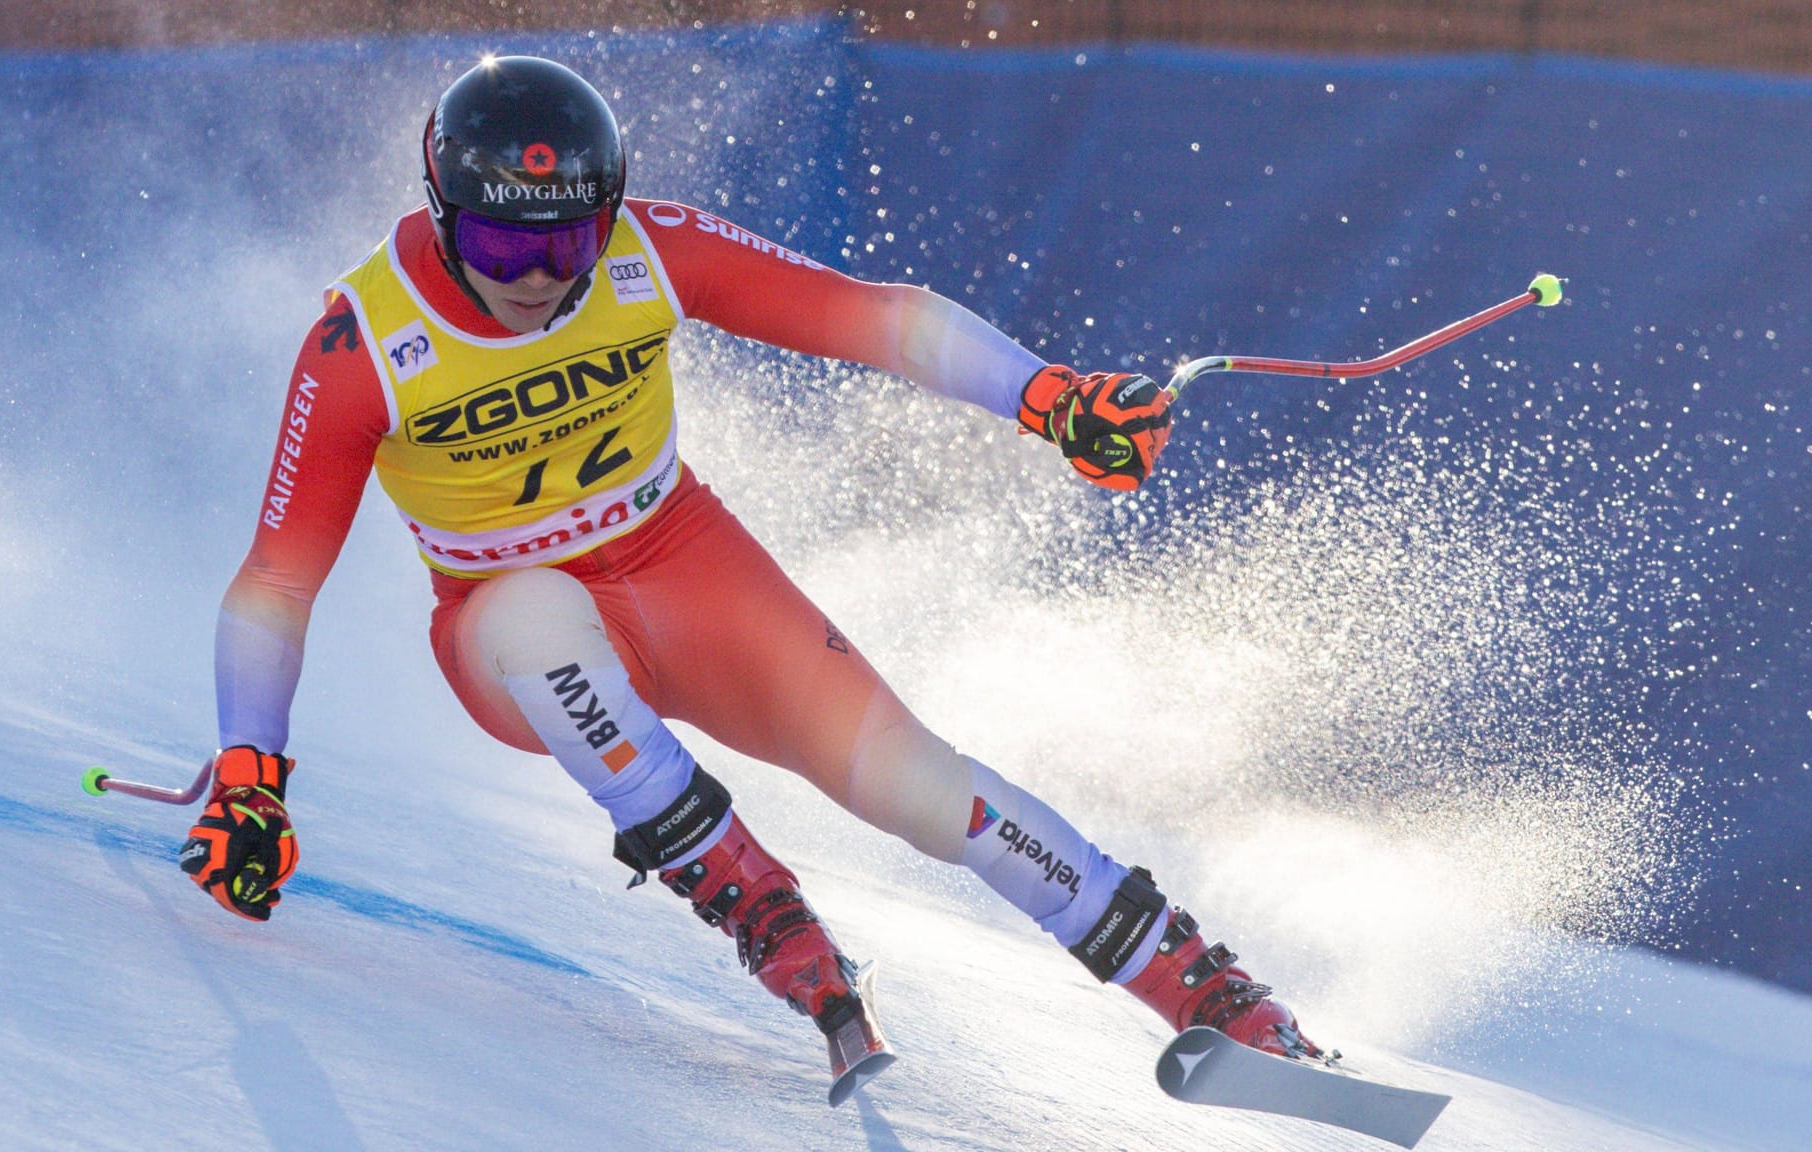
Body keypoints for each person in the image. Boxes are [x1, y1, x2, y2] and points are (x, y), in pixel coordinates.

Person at [179, 54, 1322, 1097]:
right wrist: (249, 772)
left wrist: (1048, 397)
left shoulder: (650, 248)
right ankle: (758, 900)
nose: (536, 279)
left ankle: (1209, 993)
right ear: (441, 215)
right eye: (502, 248)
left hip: (682, 563)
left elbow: (873, 320)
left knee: (918, 783)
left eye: (567, 245)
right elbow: (276, 583)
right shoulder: (361, 343)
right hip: (502, 624)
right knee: (535, 611)